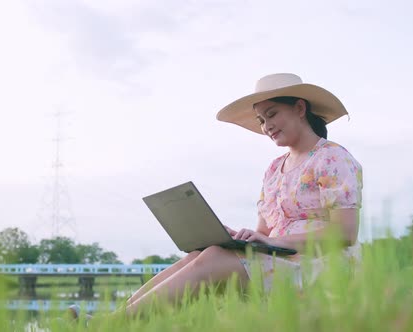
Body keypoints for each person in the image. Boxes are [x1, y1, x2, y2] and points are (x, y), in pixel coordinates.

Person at [124, 73, 363, 315]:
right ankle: (112, 319)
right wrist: (236, 238)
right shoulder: (273, 169)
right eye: (261, 120)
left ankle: (110, 325)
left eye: (272, 114)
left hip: (320, 263)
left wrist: (273, 241)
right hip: (279, 257)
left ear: (299, 108)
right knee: (203, 252)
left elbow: (346, 232)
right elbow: (264, 233)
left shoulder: (332, 157)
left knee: (214, 258)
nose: (266, 126)